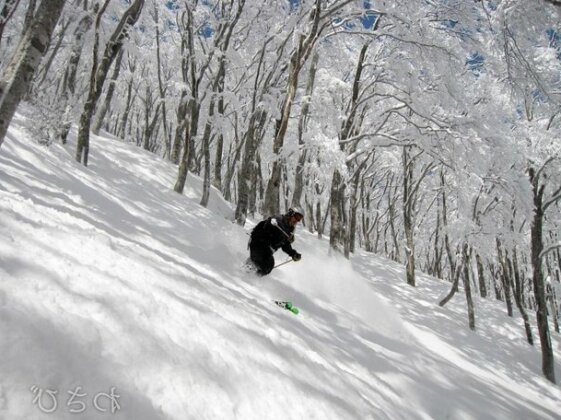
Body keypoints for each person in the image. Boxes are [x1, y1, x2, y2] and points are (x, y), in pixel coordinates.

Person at [247, 207, 303, 276]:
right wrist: (270, 222)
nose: (297, 220)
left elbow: (285, 245)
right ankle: (246, 272)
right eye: (297, 217)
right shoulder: (278, 219)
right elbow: (266, 224)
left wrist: (293, 254)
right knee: (261, 262)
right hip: (258, 243)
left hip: (267, 250)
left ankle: (253, 278)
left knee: (269, 266)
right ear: (291, 214)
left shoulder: (290, 229)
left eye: (300, 219)